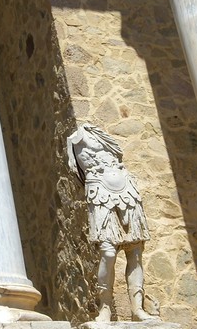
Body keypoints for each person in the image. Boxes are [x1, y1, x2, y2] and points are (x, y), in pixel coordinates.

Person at [66, 122, 155, 322]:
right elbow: (76, 170)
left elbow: (118, 154)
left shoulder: (97, 134)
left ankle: (137, 309)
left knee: (136, 252)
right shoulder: (74, 139)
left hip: (126, 188)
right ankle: (104, 307)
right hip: (99, 191)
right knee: (107, 251)